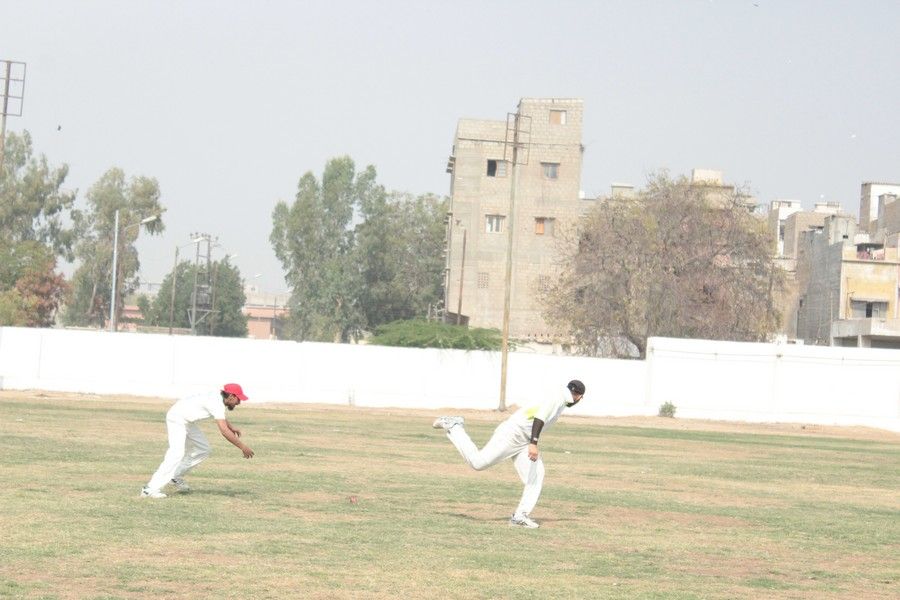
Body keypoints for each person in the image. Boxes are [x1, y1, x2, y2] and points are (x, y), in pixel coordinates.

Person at [432, 379, 586, 528]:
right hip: (512, 435)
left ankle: (520, 516)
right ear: (578, 396)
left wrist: (530, 442)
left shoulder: (560, 397)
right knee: (478, 463)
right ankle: (454, 426)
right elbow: (539, 417)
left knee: (536, 474)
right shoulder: (558, 397)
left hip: (523, 440)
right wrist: (534, 443)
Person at [141, 383, 255, 498]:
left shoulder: (218, 398)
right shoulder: (216, 402)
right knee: (176, 453)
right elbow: (224, 431)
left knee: (204, 449)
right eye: (238, 399)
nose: (239, 403)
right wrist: (243, 447)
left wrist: (231, 427)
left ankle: (175, 476)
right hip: (177, 418)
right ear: (231, 396)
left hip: (186, 420)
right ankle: (149, 489)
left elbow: (220, 416)